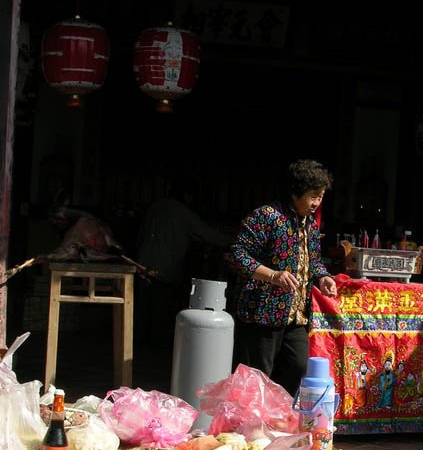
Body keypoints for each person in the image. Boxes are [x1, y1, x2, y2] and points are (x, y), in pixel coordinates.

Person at [226, 159, 339, 396]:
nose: (316, 203)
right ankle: (251, 428)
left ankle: (276, 418)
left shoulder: (311, 226)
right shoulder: (267, 216)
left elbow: (314, 261)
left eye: (320, 197)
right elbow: (237, 254)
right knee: (257, 375)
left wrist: (322, 278)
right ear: (295, 193)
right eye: (312, 196)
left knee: (298, 366)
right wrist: (273, 275)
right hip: (262, 312)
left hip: (295, 315)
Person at [135, 178, 231, 347]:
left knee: (141, 310)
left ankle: (137, 345)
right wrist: (235, 242)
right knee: (160, 311)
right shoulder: (182, 212)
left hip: (142, 265)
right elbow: (207, 235)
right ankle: (155, 349)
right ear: (187, 196)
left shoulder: (155, 208)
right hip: (164, 270)